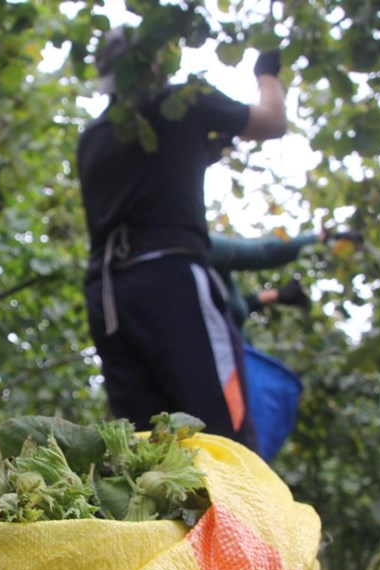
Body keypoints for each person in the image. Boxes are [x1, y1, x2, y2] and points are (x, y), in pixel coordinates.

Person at [77, 26, 288, 449]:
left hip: (108, 298)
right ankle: (236, 515)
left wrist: (198, 154)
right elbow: (273, 123)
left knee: (149, 453)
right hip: (171, 281)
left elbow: (146, 181)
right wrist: (267, 74)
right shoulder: (186, 101)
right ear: (155, 63)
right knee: (225, 441)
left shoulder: (92, 138)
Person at [210, 228, 363, 330]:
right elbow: (265, 252)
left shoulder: (207, 275)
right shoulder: (198, 247)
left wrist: (278, 295)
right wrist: (323, 238)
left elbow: (229, 311)